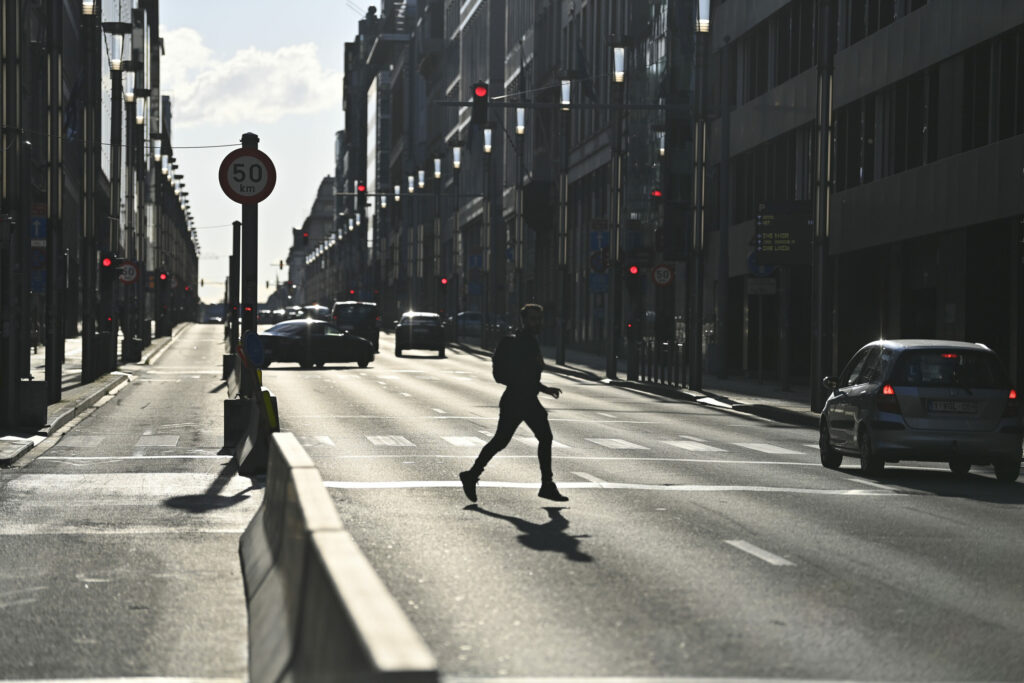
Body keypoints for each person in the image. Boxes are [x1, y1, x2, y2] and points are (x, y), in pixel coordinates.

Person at [459, 303, 568, 502]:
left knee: (509, 440)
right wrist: (538, 388)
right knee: (510, 440)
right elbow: (524, 375)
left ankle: (472, 475)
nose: (537, 323)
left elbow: (529, 376)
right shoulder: (523, 342)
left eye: (539, 319)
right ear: (524, 320)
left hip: (521, 399)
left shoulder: (530, 341)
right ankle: (546, 485)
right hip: (519, 400)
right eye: (533, 319)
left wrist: (544, 389)